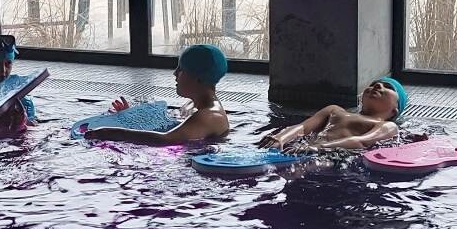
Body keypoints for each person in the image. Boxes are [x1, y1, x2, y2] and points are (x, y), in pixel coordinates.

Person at [81, 44, 232, 146]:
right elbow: (167, 126)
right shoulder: (191, 106)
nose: (175, 73)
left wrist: (108, 132)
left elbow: (164, 139)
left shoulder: (210, 116)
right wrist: (132, 116)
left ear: (198, 77)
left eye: (181, 69)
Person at [264, 75, 407, 152]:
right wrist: (280, 138)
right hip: (306, 149)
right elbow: (303, 127)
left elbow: (362, 142)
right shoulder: (334, 110)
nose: (377, 85)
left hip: (333, 157)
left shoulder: (388, 126)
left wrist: (318, 148)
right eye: (373, 84)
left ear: (395, 110)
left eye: (388, 87)